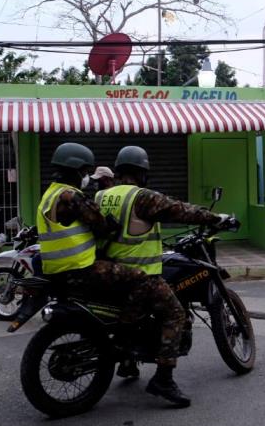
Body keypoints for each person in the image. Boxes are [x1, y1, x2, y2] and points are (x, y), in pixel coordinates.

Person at [25, 142, 195, 408]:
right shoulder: (72, 196)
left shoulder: (50, 194)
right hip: (82, 269)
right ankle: (137, 350)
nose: (87, 177)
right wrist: (109, 226)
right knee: (143, 279)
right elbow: (101, 225)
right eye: (85, 171)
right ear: (75, 169)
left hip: (57, 272)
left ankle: (127, 360)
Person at [95, 145, 234, 408]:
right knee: (176, 315)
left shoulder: (103, 195)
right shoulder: (141, 197)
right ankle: (163, 379)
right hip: (139, 275)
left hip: (109, 273)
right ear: (141, 172)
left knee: (139, 314)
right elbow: (179, 210)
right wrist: (216, 218)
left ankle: (127, 361)